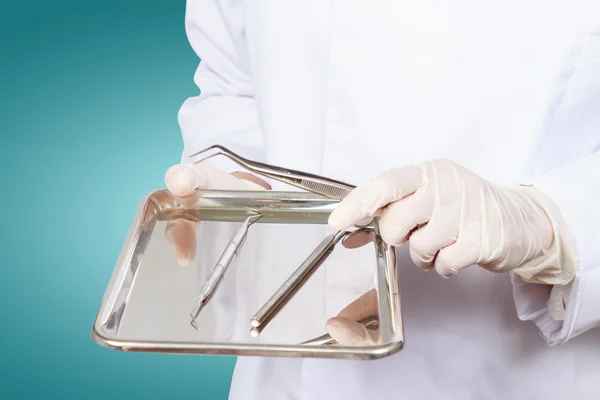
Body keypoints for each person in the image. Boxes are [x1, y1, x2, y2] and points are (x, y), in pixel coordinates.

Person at [164, 0, 600, 398]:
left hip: (530, 374)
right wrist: (241, 180)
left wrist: (551, 225)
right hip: (283, 376)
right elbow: (234, 79)